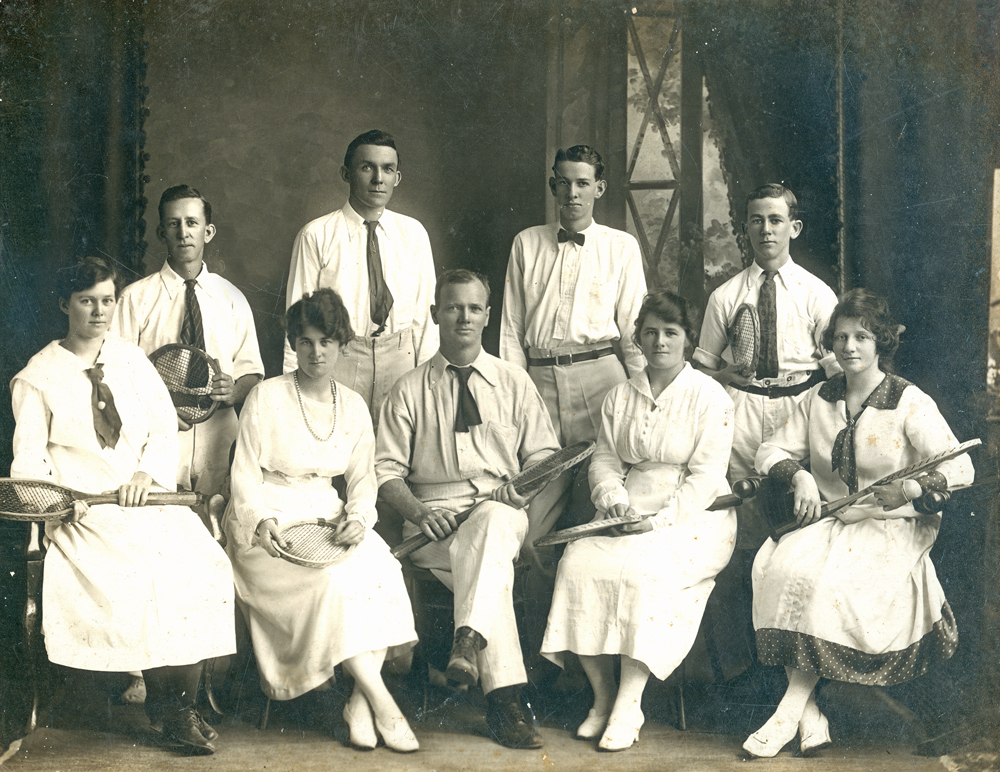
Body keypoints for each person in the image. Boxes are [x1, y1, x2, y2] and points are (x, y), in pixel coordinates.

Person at [10, 255, 235, 755]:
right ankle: (170, 706)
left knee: (200, 557)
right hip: (84, 511)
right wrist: (56, 505)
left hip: (142, 497)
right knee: (144, 568)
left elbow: (161, 428)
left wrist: (144, 474)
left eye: (108, 300)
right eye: (87, 301)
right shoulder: (38, 377)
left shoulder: (133, 361)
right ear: (64, 304)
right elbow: (28, 463)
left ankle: (179, 701)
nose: (98, 312)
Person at [744, 289, 975, 758]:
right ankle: (809, 716)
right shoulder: (819, 397)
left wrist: (911, 489)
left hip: (890, 527)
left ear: (881, 342)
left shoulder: (907, 401)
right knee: (776, 568)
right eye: (842, 337)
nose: (850, 346)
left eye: (862, 337)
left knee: (827, 583)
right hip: (831, 522)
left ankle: (786, 715)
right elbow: (767, 450)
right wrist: (801, 475)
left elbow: (962, 468)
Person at [541, 290, 737, 751]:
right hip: (628, 507)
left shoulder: (710, 397)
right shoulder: (620, 395)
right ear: (637, 338)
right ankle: (602, 694)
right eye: (650, 332)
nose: (660, 342)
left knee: (645, 575)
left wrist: (659, 521)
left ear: (688, 339)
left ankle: (630, 702)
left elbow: (707, 478)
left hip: (697, 515)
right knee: (577, 564)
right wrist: (611, 499)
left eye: (671, 332)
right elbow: (605, 459)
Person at [224, 287, 418, 752]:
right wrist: (259, 521)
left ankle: (357, 702)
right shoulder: (267, 397)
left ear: (341, 344)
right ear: (294, 342)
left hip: (326, 514)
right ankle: (382, 702)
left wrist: (358, 516)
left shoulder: (351, 405)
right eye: (306, 341)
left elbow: (363, 478)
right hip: (267, 522)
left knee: (382, 569)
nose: (316, 352)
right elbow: (245, 474)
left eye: (326, 342)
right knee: (332, 586)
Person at [376, 269, 562, 750]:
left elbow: (543, 455)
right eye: (453, 307)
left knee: (495, 525)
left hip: (501, 505)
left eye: (474, 308)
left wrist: (523, 490)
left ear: (487, 315)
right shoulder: (409, 388)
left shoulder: (513, 380)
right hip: (434, 524)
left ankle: (467, 643)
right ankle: (504, 702)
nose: (463, 316)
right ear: (436, 314)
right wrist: (417, 511)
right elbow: (386, 472)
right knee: (489, 566)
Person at [500, 146, 646, 534]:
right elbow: (511, 329)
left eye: (582, 183)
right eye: (563, 183)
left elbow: (633, 330)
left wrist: (646, 393)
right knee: (533, 508)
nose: (572, 193)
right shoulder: (526, 243)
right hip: (539, 381)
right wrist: (516, 392)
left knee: (601, 493)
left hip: (600, 378)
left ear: (599, 188)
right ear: (553, 186)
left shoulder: (621, 246)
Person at [693, 183, 839, 547]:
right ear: (746, 227)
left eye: (776, 219)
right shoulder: (725, 296)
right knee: (744, 513)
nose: (766, 229)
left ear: (794, 227)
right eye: (756, 220)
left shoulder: (817, 294)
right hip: (742, 410)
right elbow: (700, 374)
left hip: (801, 408)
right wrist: (724, 375)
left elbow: (838, 371)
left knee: (803, 512)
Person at [112, 184, 264, 501]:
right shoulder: (135, 299)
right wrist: (157, 413)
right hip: (156, 441)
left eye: (192, 223)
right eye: (173, 223)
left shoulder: (232, 298)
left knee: (221, 523)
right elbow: (115, 378)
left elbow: (253, 374)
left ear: (208, 231)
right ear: (161, 231)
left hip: (220, 438)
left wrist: (232, 390)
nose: (183, 232)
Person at [283, 129, 438, 427]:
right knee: (338, 448)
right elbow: (297, 320)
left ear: (397, 177)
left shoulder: (413, 234)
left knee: (396, 452)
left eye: (387, 169)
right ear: (346, 173)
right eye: (367, 167)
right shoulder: (317, 235)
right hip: (341, 356)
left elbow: (425, 319)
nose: (378, 178)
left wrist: (427, 379)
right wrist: (295, 391)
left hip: (400, 356)